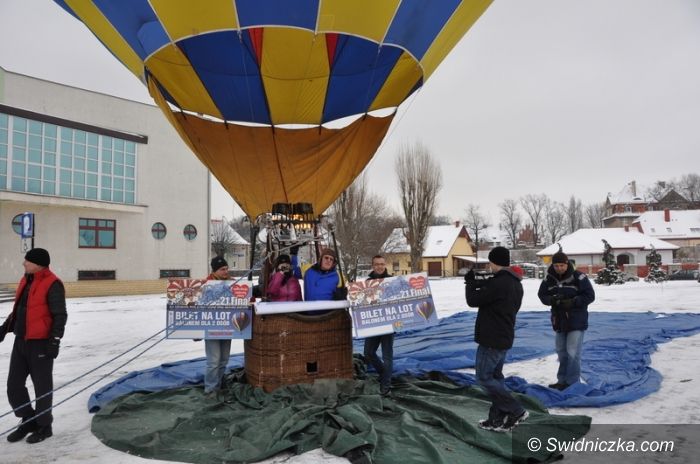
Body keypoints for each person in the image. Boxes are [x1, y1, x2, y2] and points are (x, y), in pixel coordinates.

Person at [1, 248, 67, 444]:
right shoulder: (26, 280)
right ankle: (29, 419)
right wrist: (4, 329)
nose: (24, 263)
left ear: (38, 264)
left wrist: (55, 340)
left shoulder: (52, 283)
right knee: (14, 386)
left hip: (41, 344)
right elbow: (19, 311)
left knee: (42, 388)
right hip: (21, 341)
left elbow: (60, 315)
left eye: (27, 261)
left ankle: (45, 426)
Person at [465, 246, 528, 432]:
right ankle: (496, 419)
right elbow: (491, 298)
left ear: (494, 262)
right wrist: (480, 283)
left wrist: (470, 283)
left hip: (491, 338)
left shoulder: (499, 283)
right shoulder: (515, 283)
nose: (489, 266)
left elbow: (473, 300)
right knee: (495, 378)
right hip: (504, 336)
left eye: (490, 263)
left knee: (483, 377)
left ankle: (516, 410)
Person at [537, 250, 595, 390]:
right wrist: (552, 300)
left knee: (572, 352)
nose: (559, 268)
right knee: (561, 352)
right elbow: (542, 295)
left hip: (576, 321)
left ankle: (572, 383)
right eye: (556, 266)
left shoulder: (579, 277)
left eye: (562, 265)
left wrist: (574, 301)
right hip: (559, 321)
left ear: (567, 264)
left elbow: (590, 295)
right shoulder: (549, 279)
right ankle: (562, 380)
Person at [362, 255, 394, 395]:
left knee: (387, 356)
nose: (379, 266)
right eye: (377, 264)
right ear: (373, 266)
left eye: (382, 264)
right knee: (368, 353)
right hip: (373, 324)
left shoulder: (392, 281)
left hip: (389, 323)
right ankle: (384, 374)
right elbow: (363, 303)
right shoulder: (367, 282)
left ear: (385, 265)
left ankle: (386, 385)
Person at [203, 256, 232, 398]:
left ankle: (218, 384)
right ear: (214, 271)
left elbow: (245, 299)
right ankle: (210, 389)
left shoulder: (234, 283)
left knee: (224, 360)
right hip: (212, 328)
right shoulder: (204, 285)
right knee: (214, 361)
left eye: (226, 268)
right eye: (222, 269)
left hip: (228, 327)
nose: (226, 271)